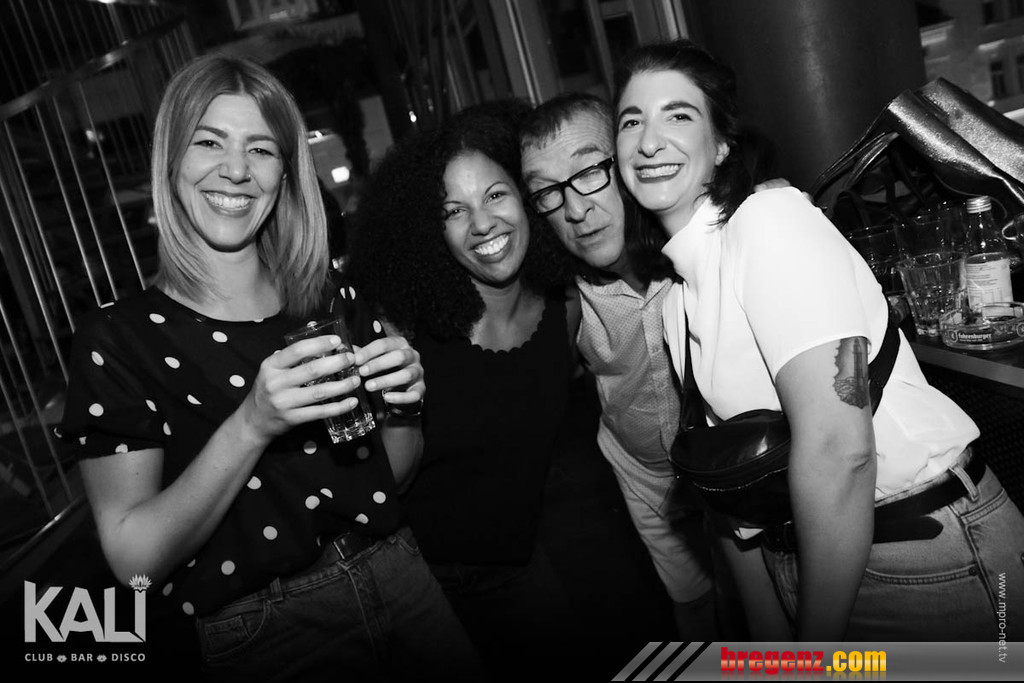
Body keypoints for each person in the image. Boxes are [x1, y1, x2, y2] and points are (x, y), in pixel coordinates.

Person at [55, 54, 483, 681]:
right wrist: (251, 424)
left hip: (402, 575)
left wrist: (405, 406)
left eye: (260, 149)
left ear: (284, 174)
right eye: (209, 142)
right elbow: (133, 562)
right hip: (268, 633)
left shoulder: (330, 300)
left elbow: (384, 481)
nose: (236, 169)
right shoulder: (120, 340)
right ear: (171, 159)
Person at [613, 38, 1024, 641]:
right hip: (814, 559)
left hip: (924, 561)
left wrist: (811, 654)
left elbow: (840, 445)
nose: (649, 141)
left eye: (678, 115)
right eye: (631, 121)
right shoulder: (678, 291)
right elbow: (729, 479)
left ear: (722, 144)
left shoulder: (770, 222)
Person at [519, 93, 783, 640]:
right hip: (644, 478)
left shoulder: (702, 248)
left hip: (734, 468)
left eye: (589, 173)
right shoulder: (566, 298)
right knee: (692, 607)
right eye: (547, 191)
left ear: (630, 161)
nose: (574, 209)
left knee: (764, 607)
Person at [346, 101, 581, 679]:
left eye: (496, 195)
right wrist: (402, 405)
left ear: (528, 198)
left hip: (518, 561)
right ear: (431, 231)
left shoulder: (567, 309)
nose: (482, 224)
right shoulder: (404, 330)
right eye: (454, 210)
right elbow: (384, 484)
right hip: (417, 581)